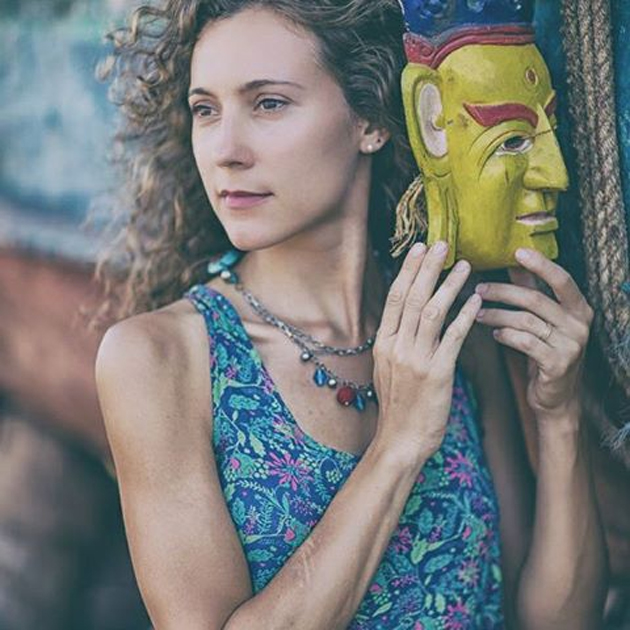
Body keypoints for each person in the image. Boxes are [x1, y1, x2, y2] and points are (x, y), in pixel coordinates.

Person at [93, 0, 608, 628]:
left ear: (370, 120)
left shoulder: (447, 327)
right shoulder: (159, 359)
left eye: (268, 103)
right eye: (206, 110)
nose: (225, 150)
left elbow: (555, 621)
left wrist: (558, 416)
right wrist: (398, 445)